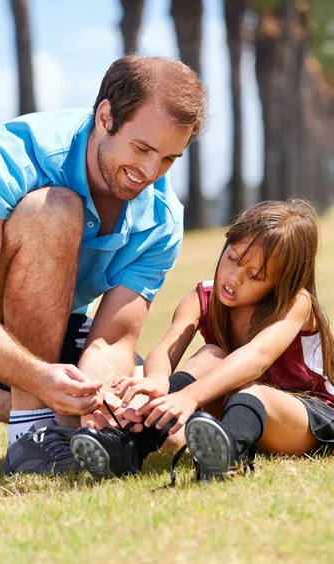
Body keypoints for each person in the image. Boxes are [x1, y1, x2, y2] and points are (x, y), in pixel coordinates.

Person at [0, 56, 208, 474]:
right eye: (142, 148)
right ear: (105, 116)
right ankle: (31, 437)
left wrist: (100, 404)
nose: (151, 172)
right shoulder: (13, 156)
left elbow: (114, 340)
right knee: (57, 208)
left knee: (156, 420)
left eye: (170, 159)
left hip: (35, 326)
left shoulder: (162, 218)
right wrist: (41, 380)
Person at [70, 198, 334, 483]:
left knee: (253, 390)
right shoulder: (203, 297)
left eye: (255, 275)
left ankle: (226, 455)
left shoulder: (295, 303)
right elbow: (165, 348)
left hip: (303, 418)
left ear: (281, 283)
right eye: (232, 258)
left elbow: (256, 358)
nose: (234, 278)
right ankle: (129, 448)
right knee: (210, 354)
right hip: (238, 411)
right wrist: (159, 381)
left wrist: (190, 397)